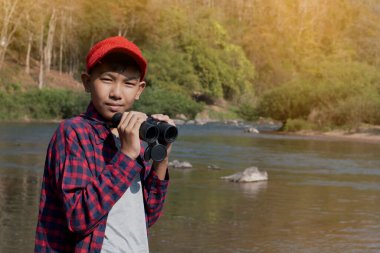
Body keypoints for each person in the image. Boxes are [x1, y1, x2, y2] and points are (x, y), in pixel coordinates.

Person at [34, 36, 173, 253]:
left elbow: (148, 217)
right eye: (107, 80)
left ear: (139, 89)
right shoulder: (74, 133)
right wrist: (126, 157)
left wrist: (161, 159)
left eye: (128, 83)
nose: (116, 93)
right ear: (87, 82)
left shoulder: (133, 134)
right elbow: (76, 218)